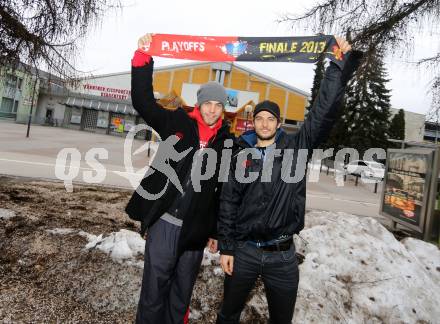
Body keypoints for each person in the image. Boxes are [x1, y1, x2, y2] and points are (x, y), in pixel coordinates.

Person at [216, 37, 363, 324]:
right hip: (244, 252)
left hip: (282, 257)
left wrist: (336, 65)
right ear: (253, 122)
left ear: (279, 124)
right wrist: (227, 247)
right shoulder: (241, 156)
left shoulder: (296, 150)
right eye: (260, 118)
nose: (265, 123)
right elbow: (228, 202)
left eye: (271, 119)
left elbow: (323, 113)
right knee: (227, 314)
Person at [125, 34, 234, 324]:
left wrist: (216, 232)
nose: (212, 109)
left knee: (180, 295)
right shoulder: (177, 123)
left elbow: (222, 193)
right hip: (164, 223)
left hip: (195, 233)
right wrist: (142, 59)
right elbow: (143, 102)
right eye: (208, 103)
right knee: (153, 292)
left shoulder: (226, 143)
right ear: (199, 104)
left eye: (218, 105)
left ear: (223, 110)